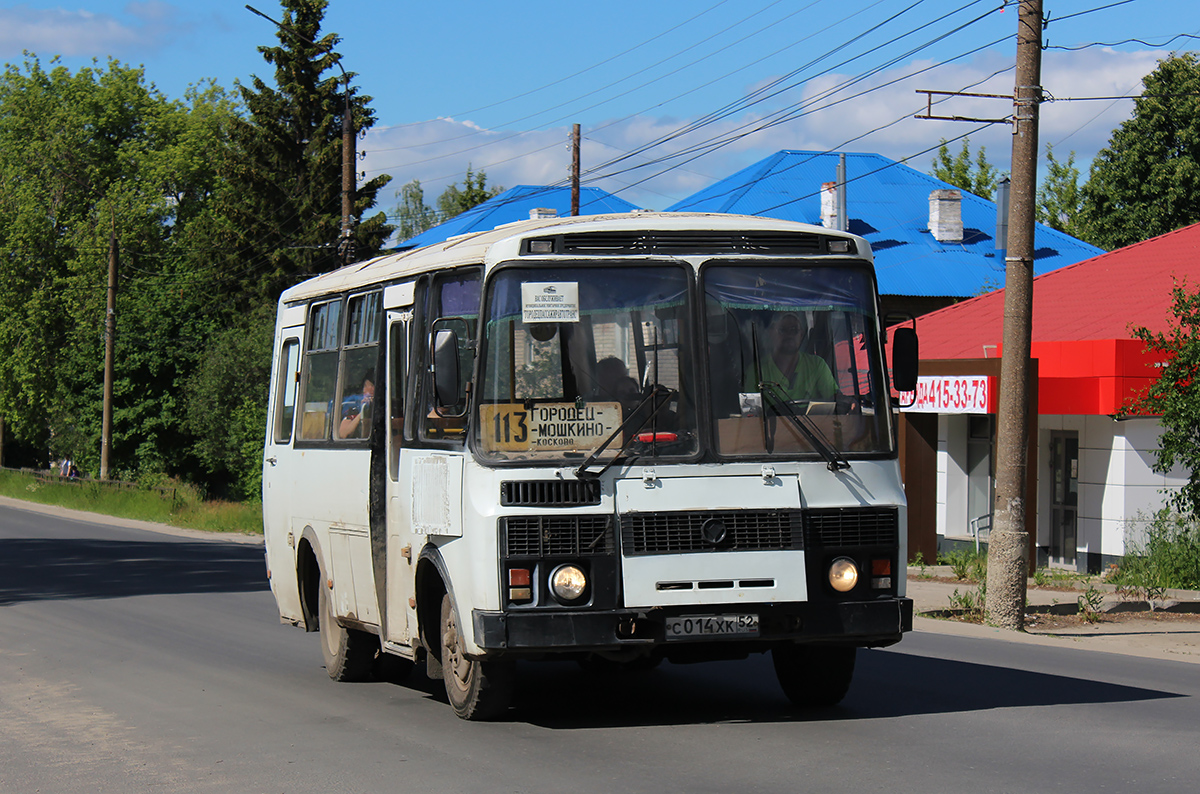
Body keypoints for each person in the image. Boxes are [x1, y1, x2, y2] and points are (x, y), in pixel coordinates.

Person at [745, 312, 841, 403]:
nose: (789, 335)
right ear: (771, 333)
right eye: (782, 330)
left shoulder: (817, 365)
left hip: (812, 421)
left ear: (801, 334)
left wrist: (844, 400)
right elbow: (750, 412)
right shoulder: (756, 371)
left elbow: (834, 398)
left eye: (794, 330)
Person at [338, 370, 375, 439]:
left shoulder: (389, 409)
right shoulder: (354, 410)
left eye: (372, 386)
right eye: (365, 386)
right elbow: (343, 434)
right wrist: (362, 412)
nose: (366, 390)